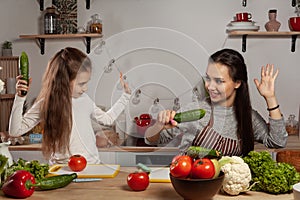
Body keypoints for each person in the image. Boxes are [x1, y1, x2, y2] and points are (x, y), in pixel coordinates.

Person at [145, 48, 288, 156]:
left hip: (232, 192)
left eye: (219, 81)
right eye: (208, 78)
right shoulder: (194, 110)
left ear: (237, 83)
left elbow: (278, 142)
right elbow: (152, 140)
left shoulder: (248, 116)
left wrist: (270, 98)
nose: (210, 87)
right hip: (195, 185)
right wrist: (158, 125)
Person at [9, 47, 131, 164]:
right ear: (63, 81)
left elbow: (107, 119)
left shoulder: (85, 100)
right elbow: (15, 132)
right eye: (81, 84)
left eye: (86, 82)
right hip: (61, 169)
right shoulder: (46, 103)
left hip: (91, 166)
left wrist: (126, 96)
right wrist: (20, 97)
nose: (85, 88)